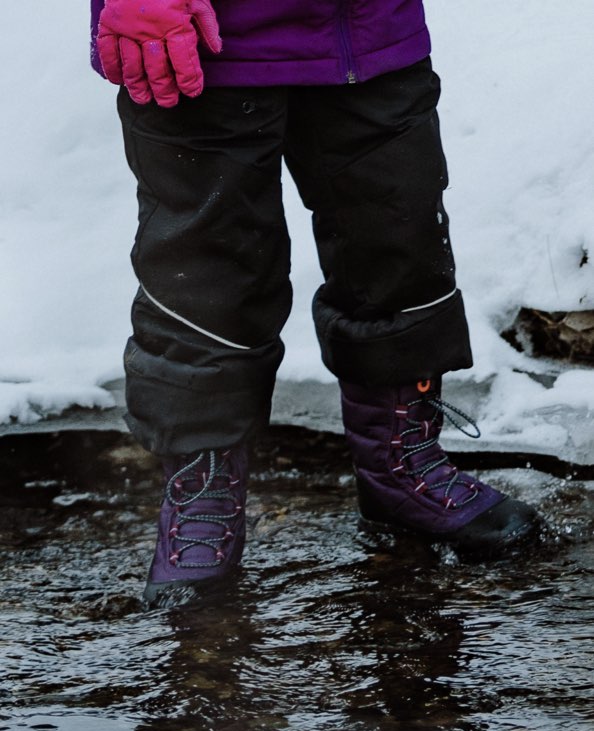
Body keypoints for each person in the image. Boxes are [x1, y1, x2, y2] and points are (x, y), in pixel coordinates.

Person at [90, 0, 540, 607]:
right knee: (205, 283)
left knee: (399, 246)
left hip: (368, 30)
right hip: (198, 38)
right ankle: (204, 494)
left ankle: (400, 467)